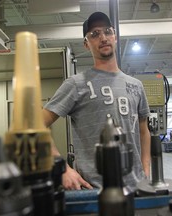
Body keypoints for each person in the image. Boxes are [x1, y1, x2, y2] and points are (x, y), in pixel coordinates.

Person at [42, 11, 151, 190]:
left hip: (136, 188)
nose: (103, 37)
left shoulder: (136, 85)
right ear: (86, 44)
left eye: (107, 31)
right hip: (94, 191)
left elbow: (143, 131)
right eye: (95, 34)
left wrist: (146, 169)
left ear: (115, 36)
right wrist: (62, 169)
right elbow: (37, 125)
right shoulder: (76, 84)